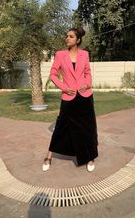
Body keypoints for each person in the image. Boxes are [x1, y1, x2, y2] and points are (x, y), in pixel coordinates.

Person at [42, 27, 98, 172]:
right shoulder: (60, 55)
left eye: (71, 36)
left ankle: (90, 157)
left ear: (78, 40)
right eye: (67, 36)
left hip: (85, 95)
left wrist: (88, 84)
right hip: (68, 95)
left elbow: (88, 72)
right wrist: (64, 87)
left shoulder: (85, 54)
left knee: (88, 127)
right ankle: (48, 156)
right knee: (61, 125)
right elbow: (53, 75)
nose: (67, 38)